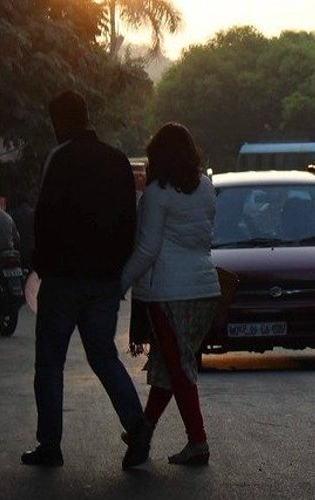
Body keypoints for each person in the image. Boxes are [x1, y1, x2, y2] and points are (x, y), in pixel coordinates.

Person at [22, 90, 145, 469]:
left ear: (60, 121)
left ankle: (50, 445)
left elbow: (45, 217)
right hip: (104, 280)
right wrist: (116, 271)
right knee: (103, 355)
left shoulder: (59, 158)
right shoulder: (117, 160)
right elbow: (130, 223)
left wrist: (39, 266)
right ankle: (138, 430)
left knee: (50, 363)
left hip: (62, 279)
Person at [119, 123, 221, 469]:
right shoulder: (206, 188)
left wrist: (120, 284)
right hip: (206, 288)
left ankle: (198, 441)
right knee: (172, 363)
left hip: (168, 292)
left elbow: (147, 250)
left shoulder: (156, 195)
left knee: (178, 368)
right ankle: (143, 433)